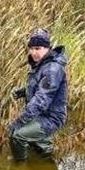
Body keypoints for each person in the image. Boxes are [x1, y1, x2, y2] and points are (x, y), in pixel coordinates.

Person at [9, 28, 68, 161]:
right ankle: (47, 156)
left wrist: (20, 121)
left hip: (51, 117)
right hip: (42, 113)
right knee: (40, 148)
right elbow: (38, 88)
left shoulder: (52, 69)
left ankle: (19, 168)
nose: (34, 52)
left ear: (47, 48)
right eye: (31, 48)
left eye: (38, 48)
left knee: (17, 136)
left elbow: (41, 99)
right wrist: (22, 92)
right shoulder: (41, 64)